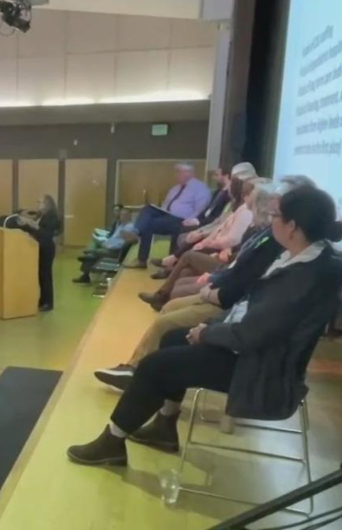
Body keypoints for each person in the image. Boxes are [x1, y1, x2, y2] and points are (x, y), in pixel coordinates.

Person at [67, 185, 342, 467]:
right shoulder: (307, 260)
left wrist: (207, 332)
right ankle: (165, 424)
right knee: (174, 337)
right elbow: (251, 314)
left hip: (262, 370)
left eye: (275, 215)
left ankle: (112, 442)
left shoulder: (304, 277)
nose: (270, 220)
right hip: (257, 354)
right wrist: (210, 327)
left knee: (155, 366)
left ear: (293, 227)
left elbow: (250, 334)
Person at [93, 180, 288, 389]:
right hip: (222, 286)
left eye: (252, 198)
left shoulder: (270, 241)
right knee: (170, 304)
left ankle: (139, 371)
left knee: (165, 322)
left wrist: (212, 289)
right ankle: (138, 365)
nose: (247, 201)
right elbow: (236, 267)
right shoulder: (261, 233)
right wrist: (215, 278)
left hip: (228, 303)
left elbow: (241, 279)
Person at [138, 178, 268, 311]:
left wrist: (221, 248)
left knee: (189, 255)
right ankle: (165, 301)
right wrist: (211, 242)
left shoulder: (248, 215)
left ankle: (163, 293)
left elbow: (235, 240)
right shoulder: (243, 211)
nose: (227, 190)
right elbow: (224, 230)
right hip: (225, 254)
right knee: (185, 272)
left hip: (226, 262)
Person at [128, 163, 212, 267]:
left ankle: (142, 258)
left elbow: (200, 209)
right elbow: (166, 205)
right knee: (148, 209)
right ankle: (136, 232)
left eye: (178, 172)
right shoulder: (175, 189)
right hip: (167, 215)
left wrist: (191, 220)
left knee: (148, 225)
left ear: (188, 173)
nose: (176, 175)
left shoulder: (200, 188)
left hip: (182, 220)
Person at [18, 195, 62, 312]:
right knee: (41, 275)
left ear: (47, 203)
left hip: (47, 247)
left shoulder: (51, 215)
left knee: (46, 275)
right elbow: (36, 230)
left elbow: (46, 233)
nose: (39, 205)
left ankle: (48, 302)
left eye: (41, 202)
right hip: (39, 246)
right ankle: (42, 300)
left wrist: (34, 225)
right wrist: (25, 225)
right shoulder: (42, 215)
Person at [73, 207, 138, 284]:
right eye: (121, 214)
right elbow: (114, 239)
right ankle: (90, 255)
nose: (121, 216)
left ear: (129, 216)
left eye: (124, 215)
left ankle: (86, 271)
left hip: (115, 252)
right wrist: (106, 243)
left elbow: (120, 244)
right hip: (110, 246)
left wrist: (107, 245)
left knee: (94, 252)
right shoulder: (121, 225)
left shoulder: (129, 228)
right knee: (94, 245)